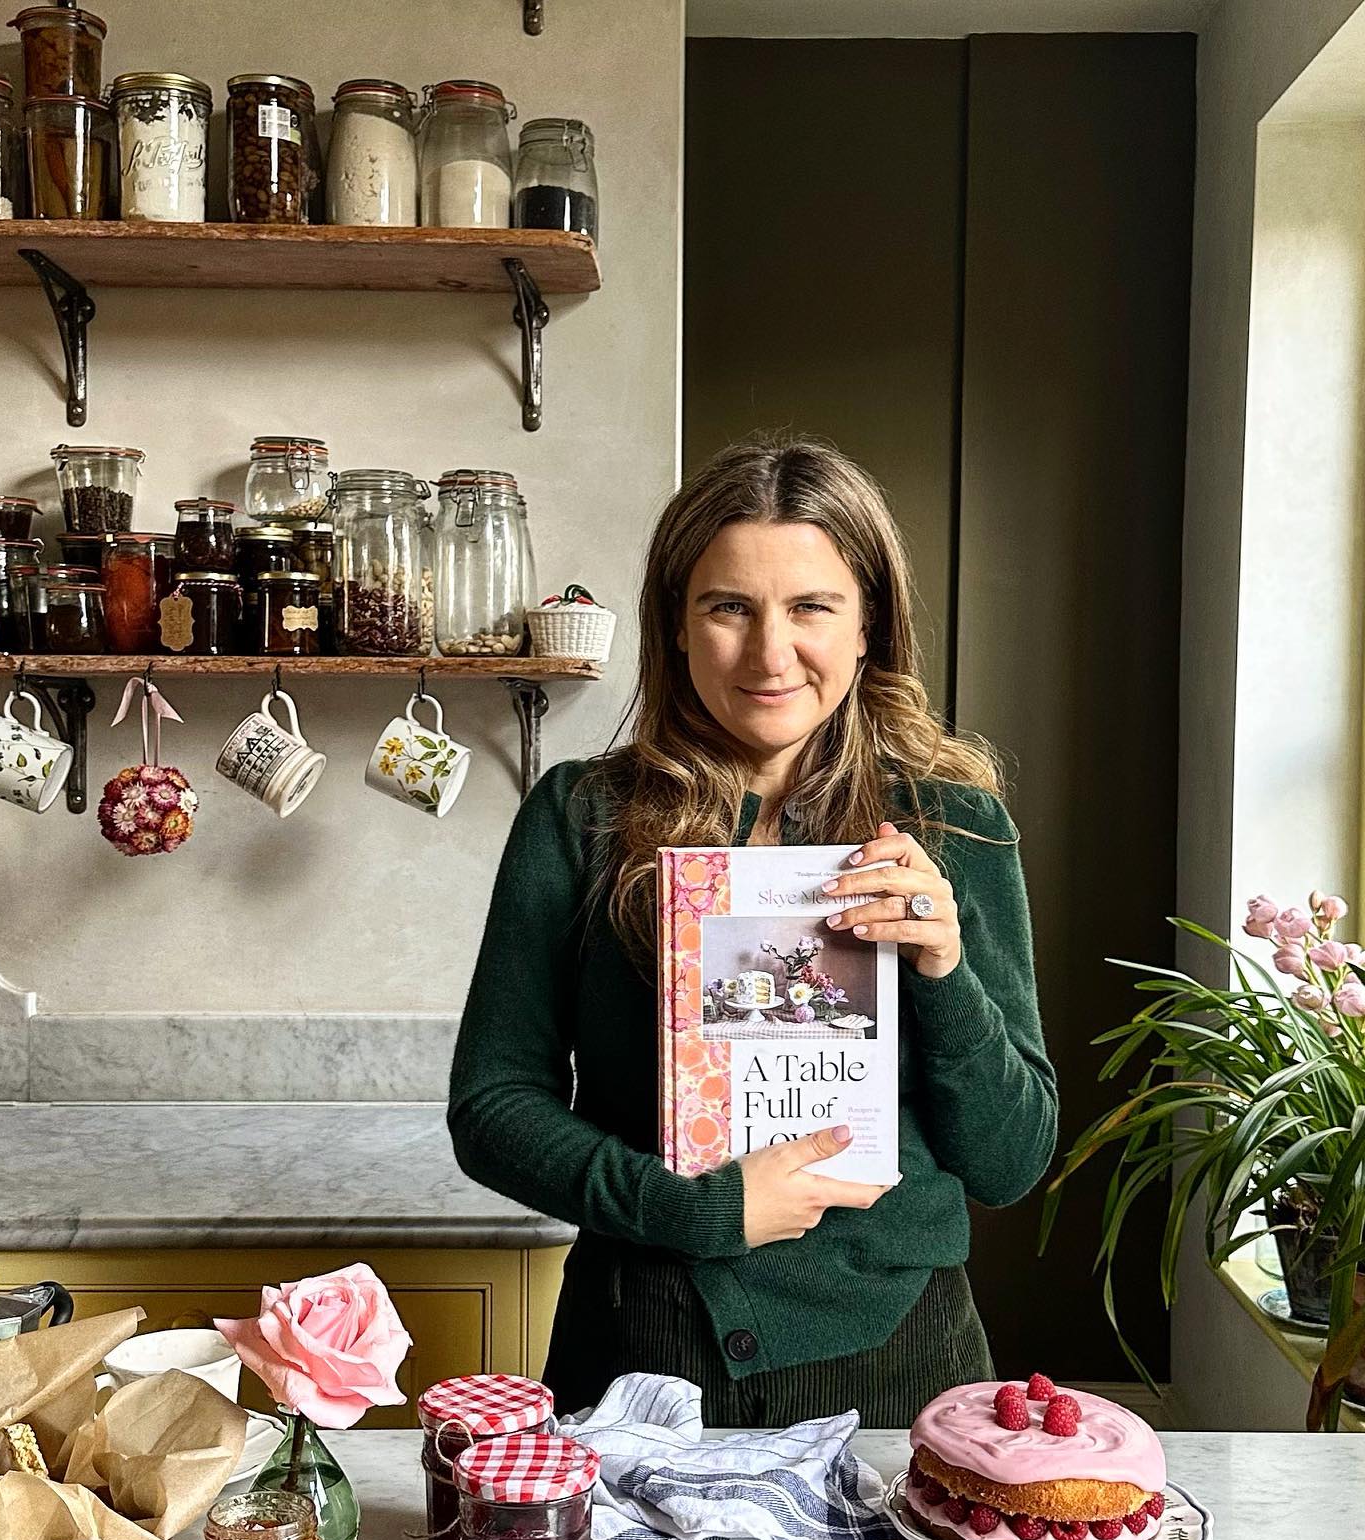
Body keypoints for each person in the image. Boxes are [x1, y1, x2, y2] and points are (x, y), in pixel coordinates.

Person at [448, 435, 1058, 1426]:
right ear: (678, 629)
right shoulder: (579, 816)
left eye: (811, 606)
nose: (771, 653)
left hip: (899, 1359)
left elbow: (1011, 1158)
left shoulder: (953, 824)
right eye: (729, 607)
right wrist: (687, 1207)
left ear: (868, 624)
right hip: (643, 1349)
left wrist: (945, 970)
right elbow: (491, 1106)